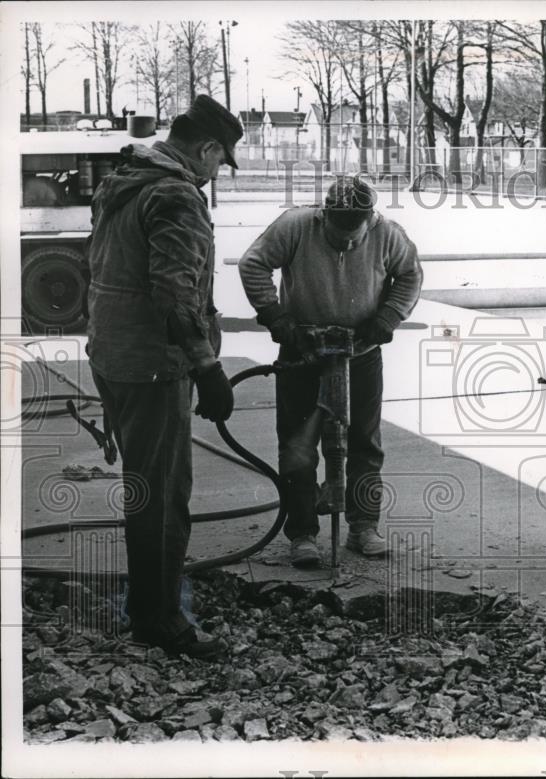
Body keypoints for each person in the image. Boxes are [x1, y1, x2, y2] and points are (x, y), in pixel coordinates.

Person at [86, 94, 243, 656]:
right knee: (162, 496)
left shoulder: (125, 179)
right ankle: (161, 622)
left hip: (112, 354)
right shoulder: (176, 195)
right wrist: (208, 369)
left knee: (142, 486)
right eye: (219, 161)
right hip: (152, 364)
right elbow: (176, 292)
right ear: (205, 148)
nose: (216, 173)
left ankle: (145, 604)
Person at [239, 175, 422, 566]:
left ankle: (362, 526)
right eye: (339, 235)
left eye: (354, 235)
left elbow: (409, 275)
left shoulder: (387, 234)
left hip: (361, 351)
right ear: (324, 217)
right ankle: (302, 533)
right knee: (296, 444)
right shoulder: (296, 226)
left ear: (369, 220)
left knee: (363, 441)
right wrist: (276, 316)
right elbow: (253, 264)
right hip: (302, 350)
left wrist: (388, 316)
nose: (347, 243)